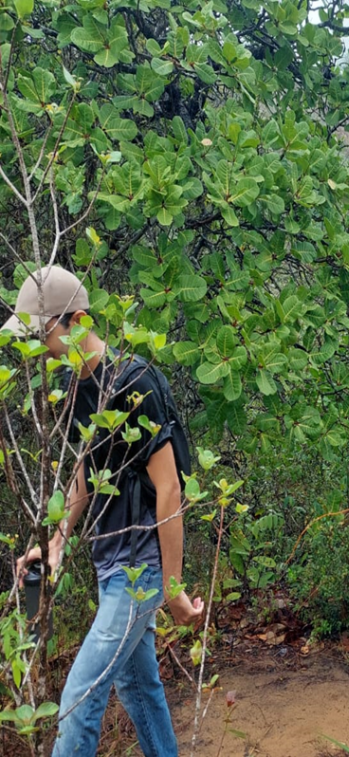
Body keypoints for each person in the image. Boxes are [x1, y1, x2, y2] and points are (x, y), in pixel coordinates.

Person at [5, 265, 203, 757]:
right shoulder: (74, 385)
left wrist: (173, 588)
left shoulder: (134, 384)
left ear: (78, 321)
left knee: (77, 703)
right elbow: (84, 473)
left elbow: (169, 490)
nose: (37, 351)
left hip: (139, 570)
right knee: (138, 688)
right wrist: (56, 542)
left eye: (42, 335)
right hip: (108, 563)